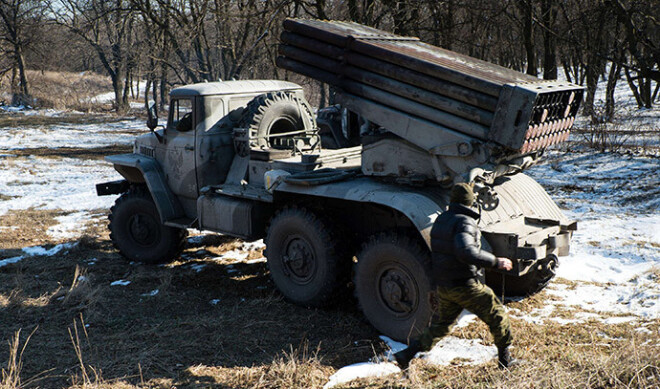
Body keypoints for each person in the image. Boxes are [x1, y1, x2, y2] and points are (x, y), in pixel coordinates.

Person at [393, 182, 516, 369]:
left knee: (442, 326)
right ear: (470, 201)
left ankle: (406, 355)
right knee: (497, 315)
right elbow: (466, 252)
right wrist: (496, 262)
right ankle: (505, 362)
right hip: (465, 285)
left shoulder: (442, 220)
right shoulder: (465, 221)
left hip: (445, 285)